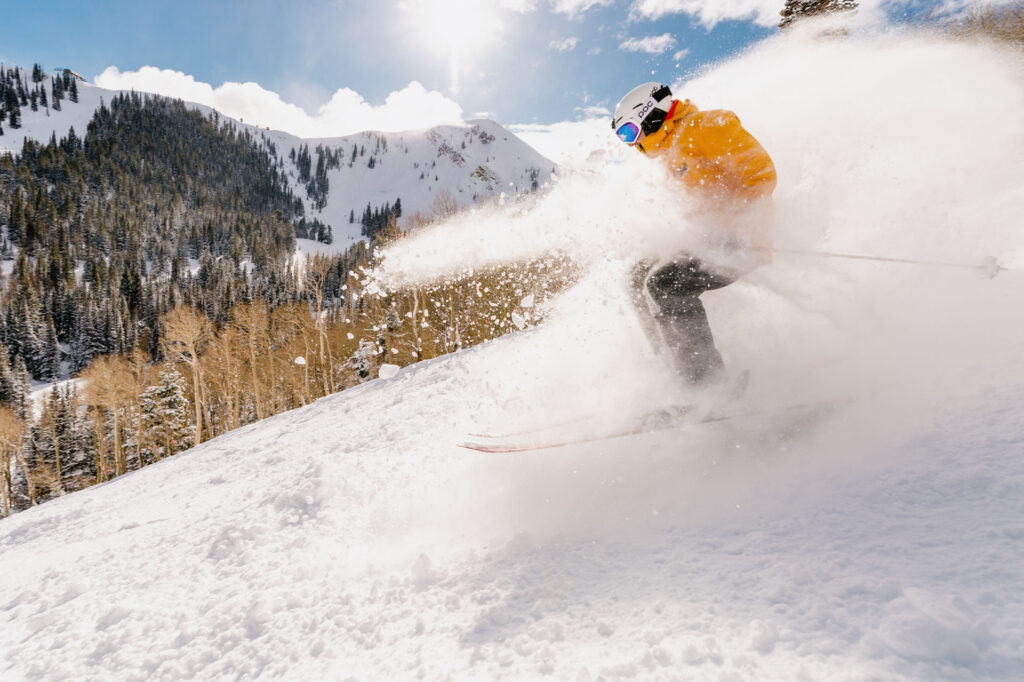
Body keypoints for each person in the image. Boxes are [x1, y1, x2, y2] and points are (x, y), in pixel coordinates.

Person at [611, 82, 777, 388]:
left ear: (651, 114)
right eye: (625, 138)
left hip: (741, 240)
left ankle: (707, 386)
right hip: (712, 240)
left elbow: (759, 169)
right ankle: (676, 371)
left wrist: (745, 221)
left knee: (664, 284)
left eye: (631, 133)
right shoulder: (673, 152)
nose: (632, 144)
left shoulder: (704, 126)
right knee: (636, 277)